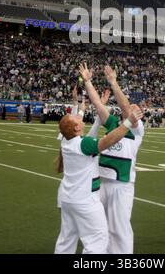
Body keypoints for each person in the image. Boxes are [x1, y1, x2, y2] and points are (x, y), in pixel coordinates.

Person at [54, 105, 143, 254]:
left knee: (66, 240)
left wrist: (89, 108)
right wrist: (128, 122)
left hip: (68, 199)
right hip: (85, 200)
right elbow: (108, 140)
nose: (79, 117)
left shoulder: (66, 142)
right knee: (98, 240)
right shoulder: (84, 144)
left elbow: (87, 135)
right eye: (76, 118)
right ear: (76, 128)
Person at [79, 63, 144, 254]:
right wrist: (88, 82)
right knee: (97, 226)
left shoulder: (137, 129)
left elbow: (125, 107)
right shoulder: (114, 123)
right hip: (101, 182)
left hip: (121, 184)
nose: (129, 107)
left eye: (133, 107)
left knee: (119, 229)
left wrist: (114, 83)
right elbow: (98, 105)